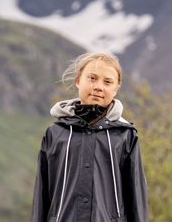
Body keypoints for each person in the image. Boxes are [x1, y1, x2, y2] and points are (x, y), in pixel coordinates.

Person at [30, 52, 149, 222]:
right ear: (78, 80)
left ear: (116, 89)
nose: (98, 86)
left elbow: (137, 199)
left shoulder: (125, 135)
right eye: (92, 78)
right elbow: (41, 196)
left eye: (107, 82)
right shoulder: (55, 134)